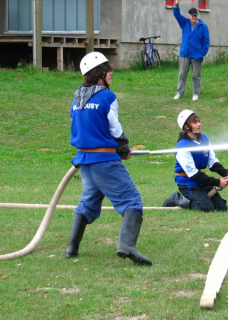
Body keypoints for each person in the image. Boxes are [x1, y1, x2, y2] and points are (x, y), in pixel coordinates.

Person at [65, 51, 152, 266]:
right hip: (105, 161)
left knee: (88, 202)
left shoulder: (77, 98)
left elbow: (79, 127)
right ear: (98, 73)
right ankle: (127, 246)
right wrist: (123, 147)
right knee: (132, 201)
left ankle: (71, 248)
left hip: (85, 161)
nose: (111, 72)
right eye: (107, 69)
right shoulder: (107, 97)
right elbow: (114, 127)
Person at [163, 110, 228, 212]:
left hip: (201, 180)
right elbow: (193, 174)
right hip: (187, 183)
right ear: (187, 127)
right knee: (205, 208)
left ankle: (201, 198)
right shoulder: (182, 146)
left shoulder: (204, 139)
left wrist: (226, 173)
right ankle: (177, 199)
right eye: (195, 122)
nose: (199, 124)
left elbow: (212, 162)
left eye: (198, 121)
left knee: (221, 207)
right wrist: (217, 182)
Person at [173, 0, 210, 101]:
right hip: (184, 53)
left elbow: (206, 42)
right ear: (189, 16)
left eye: (195, 16)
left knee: (196, 75)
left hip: (196, 55)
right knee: (182, 74)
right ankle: (179, 93)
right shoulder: (184, 23)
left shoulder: (203, 27)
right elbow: (176, 14)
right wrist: (176, 3)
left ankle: (196, 93)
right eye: (192, 16)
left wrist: (202, 53)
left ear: (197, 16)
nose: (194, 18)